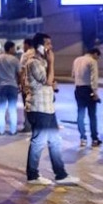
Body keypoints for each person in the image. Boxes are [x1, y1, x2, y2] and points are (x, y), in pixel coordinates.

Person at [25, 33, 79, 186]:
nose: (51, 47)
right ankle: (32, 175)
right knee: (39, 141)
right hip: (39, 108)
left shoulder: (42, 62)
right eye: (48, 44)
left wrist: (50, 71)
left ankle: (60, 174)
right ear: (40, 46)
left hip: (48, 108)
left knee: (54, 141)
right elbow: (48, 81)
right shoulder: (34, 62)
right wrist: (52, 62)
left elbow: (50, 82)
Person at [72, 48, 102, 148]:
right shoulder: (92, 61)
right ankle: (94, 139)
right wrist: (95, 93)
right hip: (88, 89)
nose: (97, 59)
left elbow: (73, 75)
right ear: (95, 54)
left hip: (78, 89)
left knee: (80, 114)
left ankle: (82, 138)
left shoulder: (76, 60)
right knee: (92, 115)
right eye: (98, 56)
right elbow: (94, 78)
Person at [0, 41, 21, 135]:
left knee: (1, 108)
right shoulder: (15, 60)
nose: (15, 50)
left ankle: (1, 129)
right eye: (14, 48)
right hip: (12, 86)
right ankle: (13, 130)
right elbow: (20, 74)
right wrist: (21, 84)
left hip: (1, 86)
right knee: (12, 108)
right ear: (10, 48)